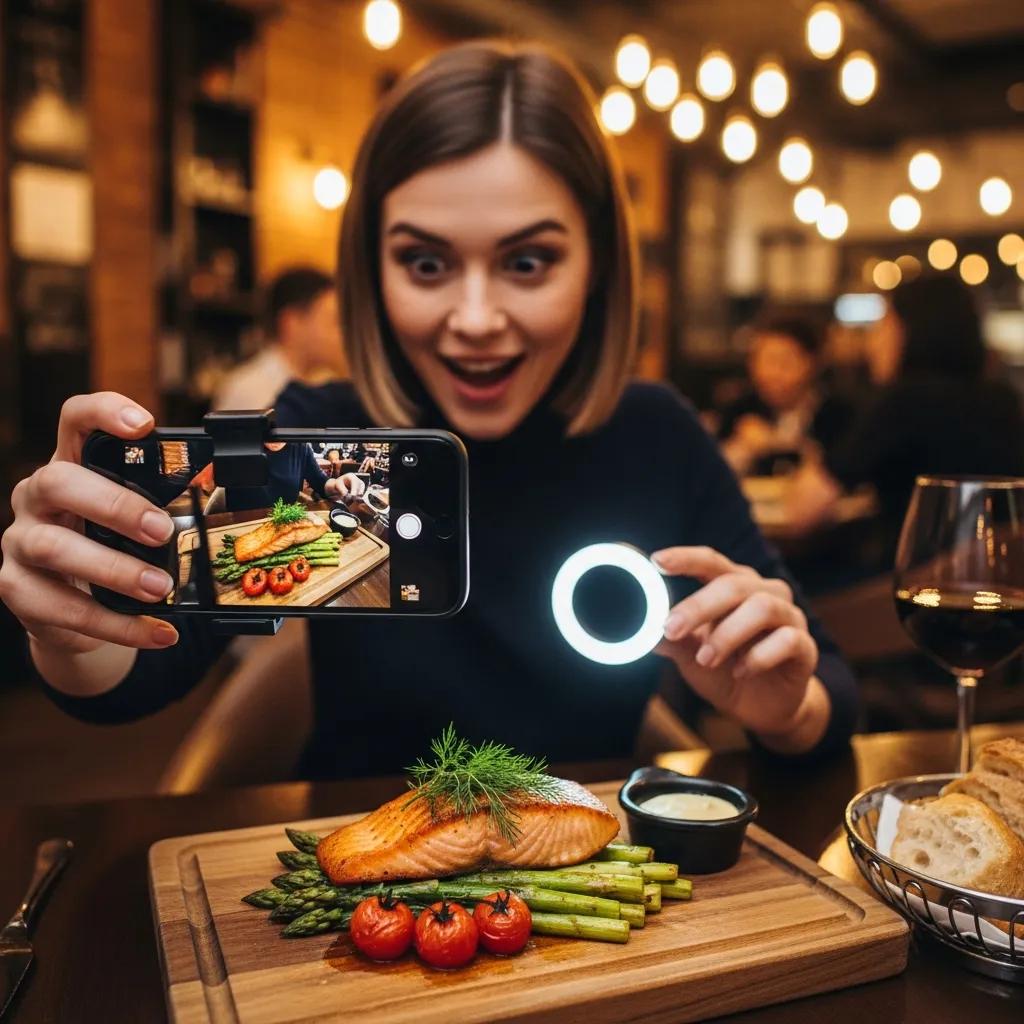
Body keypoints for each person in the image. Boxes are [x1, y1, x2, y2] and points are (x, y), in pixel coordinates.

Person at [1, 41, 858, 779]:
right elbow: (135, 682)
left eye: (527, 263)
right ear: (371, 267)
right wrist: (73, 625)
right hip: (350, 903)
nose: (476, 320)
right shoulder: (322, 434)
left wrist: (784, 709)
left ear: (596, 265)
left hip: (593, 897)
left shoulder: (655, 436)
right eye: (425, 263)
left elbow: (826, 699)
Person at [786, 275, 1024, 563]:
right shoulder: (1002, 398)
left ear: (909, 331)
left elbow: (803, 511)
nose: (872, 343)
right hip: (998, 572)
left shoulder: (904, 403)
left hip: (913, 583)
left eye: (883, 325)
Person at [718, 313, 855, 477]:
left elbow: (847, 469)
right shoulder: (740, 410)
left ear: (813, 363)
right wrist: (741, 447)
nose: (773, 374)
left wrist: (780, 443)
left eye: (785, 362)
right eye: (765, 361)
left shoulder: (838, 413)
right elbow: (709, 475)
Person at [213, 267, 344, 411]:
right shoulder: (250, 390)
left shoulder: (323, 383)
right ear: (291, 323)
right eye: (334, 322)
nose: (342, 334)